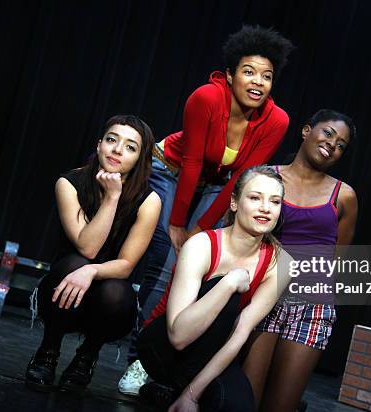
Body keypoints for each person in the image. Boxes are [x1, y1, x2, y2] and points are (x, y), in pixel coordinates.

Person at [119, 25, 294, 394]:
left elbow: (242, 179)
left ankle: (173, 358)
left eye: (267, 76)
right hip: (173, 169)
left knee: (196, 258)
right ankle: (141, 358)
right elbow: (194, 161)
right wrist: (181, 225)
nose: (258, 82)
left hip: (220, 183)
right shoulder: (206, 98)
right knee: (167, 261)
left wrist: (204, 228)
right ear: (230, 75)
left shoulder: (276, 121)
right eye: (248, 72)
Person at [136, 166, 291, 411]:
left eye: (275, 201)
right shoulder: (201, 245)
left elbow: (240, 333)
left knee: (237, 406)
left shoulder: (281, 263)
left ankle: (175, 393)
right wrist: (230, 282)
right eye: (255, 198)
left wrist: (192, 395)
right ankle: (166, 386)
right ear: (234, 203)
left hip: (212, 352)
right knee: (226, 291)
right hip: (163, 347)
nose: (265, 208)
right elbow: (178, 336)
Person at [25, 115, 161, 393]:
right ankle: (48, 350)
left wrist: (92, 271)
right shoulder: (69, 182)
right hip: (63, 290)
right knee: (75, 263)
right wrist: (111, 198)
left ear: (139, 159)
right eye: (112, 140)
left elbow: (125, 265)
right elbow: (88, 248)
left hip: (108, 296)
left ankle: (87, 356)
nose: (117, 150)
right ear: (99, 144)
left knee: (116, 292)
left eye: (130, 147)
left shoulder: (149, 200)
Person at [242, 110, 358, 411]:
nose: (333, 145)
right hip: (263, 296)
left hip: (311, 305)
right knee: (245, 400)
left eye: (342, 145)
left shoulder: (344, 196)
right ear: (307, 131)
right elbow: (241, 238)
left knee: (279, 406)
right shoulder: (266, 177)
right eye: (329, 134)